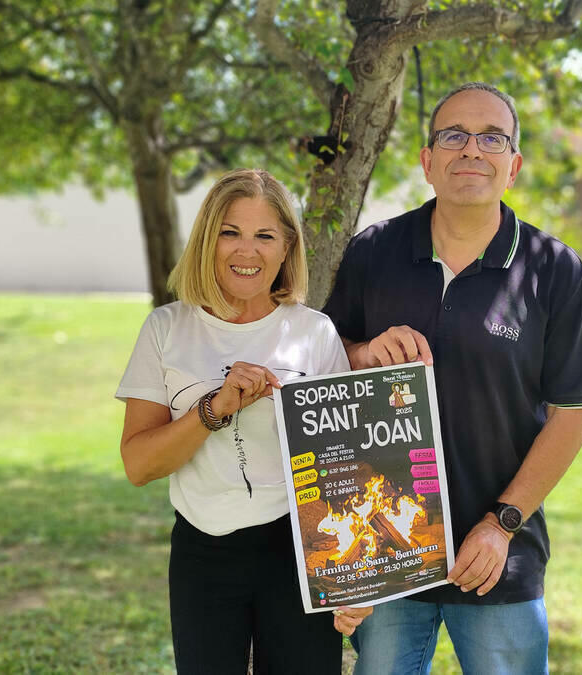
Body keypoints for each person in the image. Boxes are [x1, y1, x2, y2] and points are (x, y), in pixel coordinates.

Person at [322, 83, 582, 674]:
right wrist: (364, 350)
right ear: (428, 161)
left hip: (497, 552)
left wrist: (501, 524)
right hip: (386, 545)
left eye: (492, 138)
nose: (471, 150)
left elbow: (573, 415)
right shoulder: (373, 251)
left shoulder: (555, 272)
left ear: (514, 165)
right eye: (453, 135)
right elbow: (323, 363)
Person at [115, 169, 369, 674]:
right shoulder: (166, 328)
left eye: (264, 236)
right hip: (202, 551)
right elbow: (139, 465)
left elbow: (347, 474)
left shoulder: (315, 334)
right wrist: (214, 408)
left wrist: (355, 580)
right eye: (230, 233)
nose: (246, 252)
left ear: (286, 248)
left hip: (299, 551)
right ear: (208, 240)